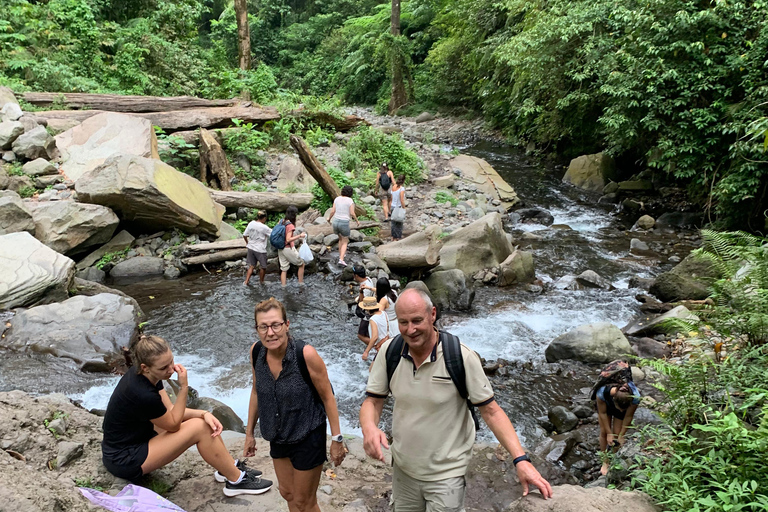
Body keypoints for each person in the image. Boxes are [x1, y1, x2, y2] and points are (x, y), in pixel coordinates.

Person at [360, 289, 553, 510]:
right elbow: (373, 401)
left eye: (417, 321)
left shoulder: (460, 357)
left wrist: (521, 460)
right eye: (403, 322)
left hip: (446, 476)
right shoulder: (389, 352)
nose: (410, 330)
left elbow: (491, 411)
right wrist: (369, 428)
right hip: (404, 471)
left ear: (432, 314)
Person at [102, 334, 271, 497]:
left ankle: (227, 468)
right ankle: (236, 481)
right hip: (124, 458)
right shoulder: (141, 392)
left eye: (171, 362)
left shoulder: (148, 375)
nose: (171, 370)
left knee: (203, 421)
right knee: (199, 428)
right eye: (164, 367)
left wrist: (203, 413)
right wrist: (183, 388)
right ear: (145, 367)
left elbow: (170, 411)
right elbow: (174, 423)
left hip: (139, 442)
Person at [244, 297, 346, 512]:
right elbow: (256, 391)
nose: (270, 332)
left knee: (304, 502)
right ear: (257, 329)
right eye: (263, 327)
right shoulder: (256, 352)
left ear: (286, 325)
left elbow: (328, 396)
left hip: (307, 434)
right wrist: (249, 434)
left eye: (275, 325)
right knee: (287, 493)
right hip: (278, 433)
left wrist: (337, 439)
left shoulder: (305, 354)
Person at [596, 382, 640, 475]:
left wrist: (622, 435)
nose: (620, 411)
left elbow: (628, 416)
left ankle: (614, 459)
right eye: (620, 409)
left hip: (622, 403)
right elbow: (602, 413)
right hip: (606, 405)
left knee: (617, 434)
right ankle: (605, 461)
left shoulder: (635, 397)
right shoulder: (602, 392)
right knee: (604, 432)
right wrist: (609, 433)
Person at [328, 185, 359, 267]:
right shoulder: (350, 200)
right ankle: (341, 259)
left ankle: (341, 254)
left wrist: (328, 219)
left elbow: (333, 211)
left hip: (335, 222)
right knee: (345, 241)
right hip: (344, 223)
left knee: (340, 239)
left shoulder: (337, 199)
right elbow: (352, 213)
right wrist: (357, 220)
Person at [277, 205, 307, 287]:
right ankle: (301, 283)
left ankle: (283, 286)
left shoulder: (281, 221)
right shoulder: (290, 225)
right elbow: (288, 239)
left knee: (284, 268)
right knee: (301, 264)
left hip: (280, 248)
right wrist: (300, 236)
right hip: (287, 248)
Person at [359, 295, 396, 361]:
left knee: (373, 369)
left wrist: (366, 351)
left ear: (367, 309)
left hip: (381, 348)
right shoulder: (384, 313)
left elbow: (375, 337)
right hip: (388, 343)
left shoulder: (373, 319)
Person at [243, 211, 272, 286]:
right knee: (263, 266)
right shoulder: (264, 227)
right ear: (264, 218)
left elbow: (244, 235)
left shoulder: (251, 223)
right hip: (260, 249)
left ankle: (246, 281)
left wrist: (247, 243)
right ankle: (261, 282)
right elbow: (273, 234)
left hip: (251, 247)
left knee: (251, 266)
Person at [353, 264, 377, 347]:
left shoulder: (365, 288)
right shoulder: (368, 280)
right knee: (368, 333)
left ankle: (377, 346)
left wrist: (360, 293)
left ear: (356, 275)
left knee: (361, 335)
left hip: (367, 313)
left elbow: (363, 302)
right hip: (371, 310)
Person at [389, 175, 406, 241]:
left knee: (393, 223)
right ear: (403, 181)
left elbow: (391, 198)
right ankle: (398, 237)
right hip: (398, 207)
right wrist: (404, 208)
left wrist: (390, 207)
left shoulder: (393, 187)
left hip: (393, 206)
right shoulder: (401, 189)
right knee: (399, 223)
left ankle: (393, 237)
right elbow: (402, 200)